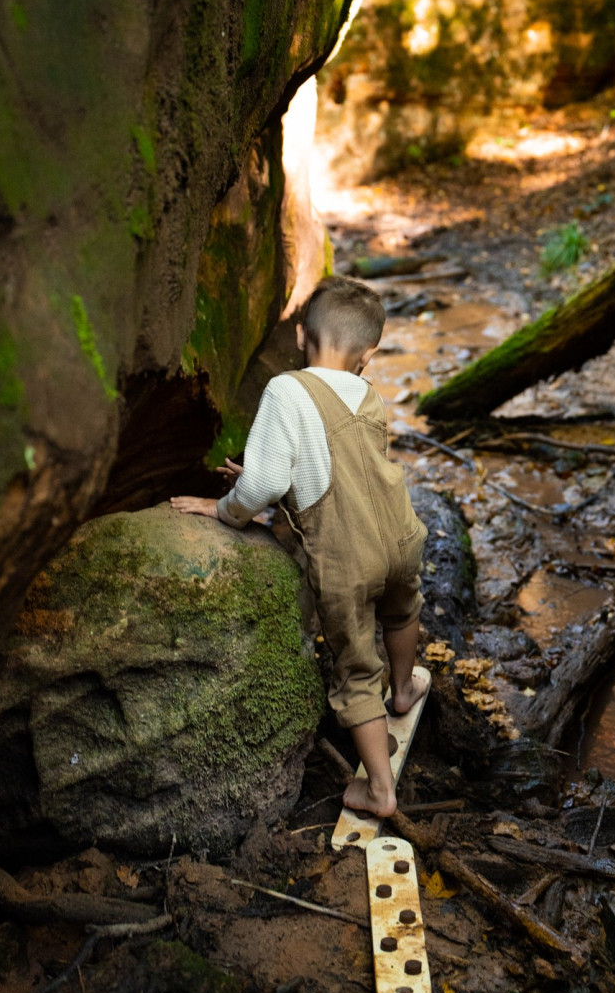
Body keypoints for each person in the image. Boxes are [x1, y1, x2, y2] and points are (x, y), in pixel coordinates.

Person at [171, 275, 428, 819]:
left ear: (299, 336)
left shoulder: (286, 390)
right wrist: (274, 475)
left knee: (357, 668)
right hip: (402, 536)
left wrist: (226, 506)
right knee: (402, 607)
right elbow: (343, 470)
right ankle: (404, 690)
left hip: (348, 557)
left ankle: (379, 790)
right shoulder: (369, 393)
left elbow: (263, 487)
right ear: (369, 354)